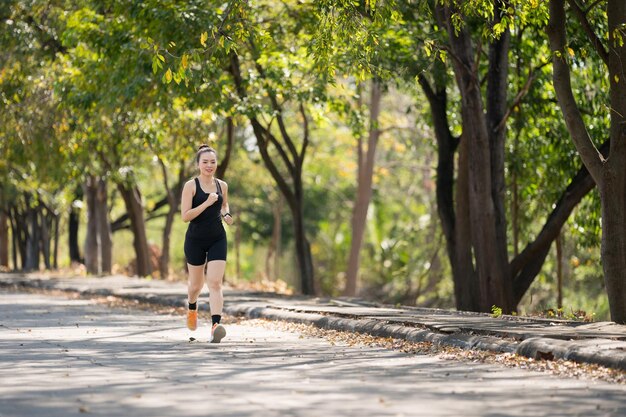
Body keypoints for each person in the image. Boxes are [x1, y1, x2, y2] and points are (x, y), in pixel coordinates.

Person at [181, 145, 234, 342]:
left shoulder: (222, 185)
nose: (209, 165)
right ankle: (192, 306)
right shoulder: (191, 186)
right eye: (205, 162)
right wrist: (206, 203)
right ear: (198, 165)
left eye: (212, 162)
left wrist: (226, 214)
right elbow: (185, 216)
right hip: (195, 240)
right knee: (196, 285)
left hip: (217, 238)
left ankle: (215, 326)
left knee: (215, 282)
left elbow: (224, 204)